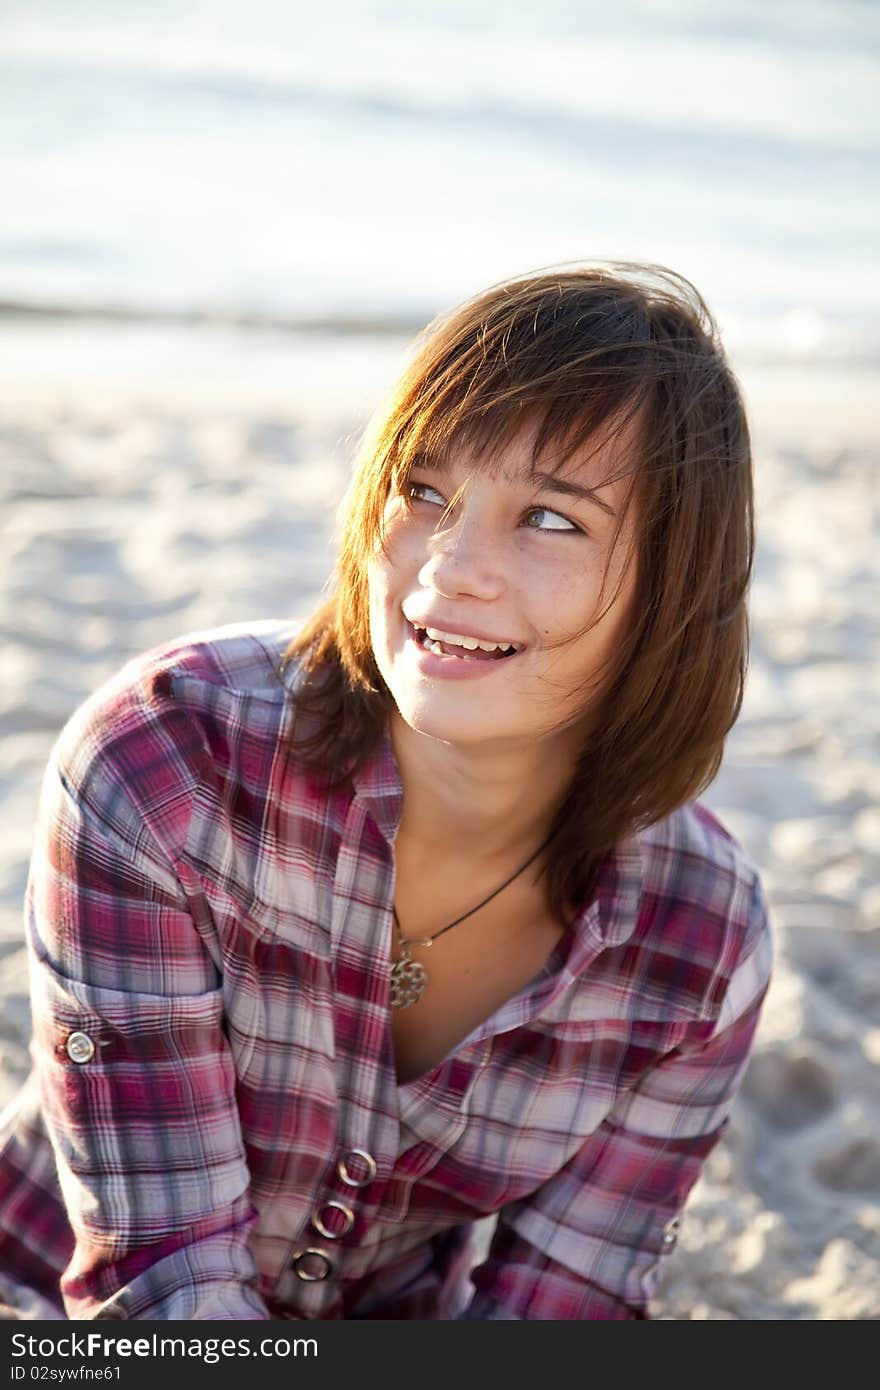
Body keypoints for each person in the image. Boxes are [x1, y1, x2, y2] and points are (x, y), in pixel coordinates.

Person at [0, 262, 772, 1320]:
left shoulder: (698, 939)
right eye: (423, 489)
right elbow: (164, 1282)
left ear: (670, 588)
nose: (450, 568)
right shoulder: (165, 768)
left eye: (550, 518)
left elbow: (567, 1299)